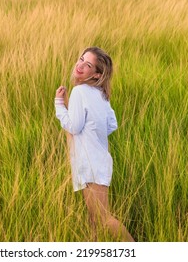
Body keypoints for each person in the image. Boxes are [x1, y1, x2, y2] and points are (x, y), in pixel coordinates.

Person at [55, 46, 135, 242]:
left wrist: (59, 104)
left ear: (96, 74)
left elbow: (73, 127)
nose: (80, 65)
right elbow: (111, 125)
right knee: (94, 218)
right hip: (100, 160)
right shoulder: (101, 95)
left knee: (103, 218)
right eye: (81, 59)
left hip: (90, 164)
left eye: (88, 65)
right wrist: (93, 133)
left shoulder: (80, 91)